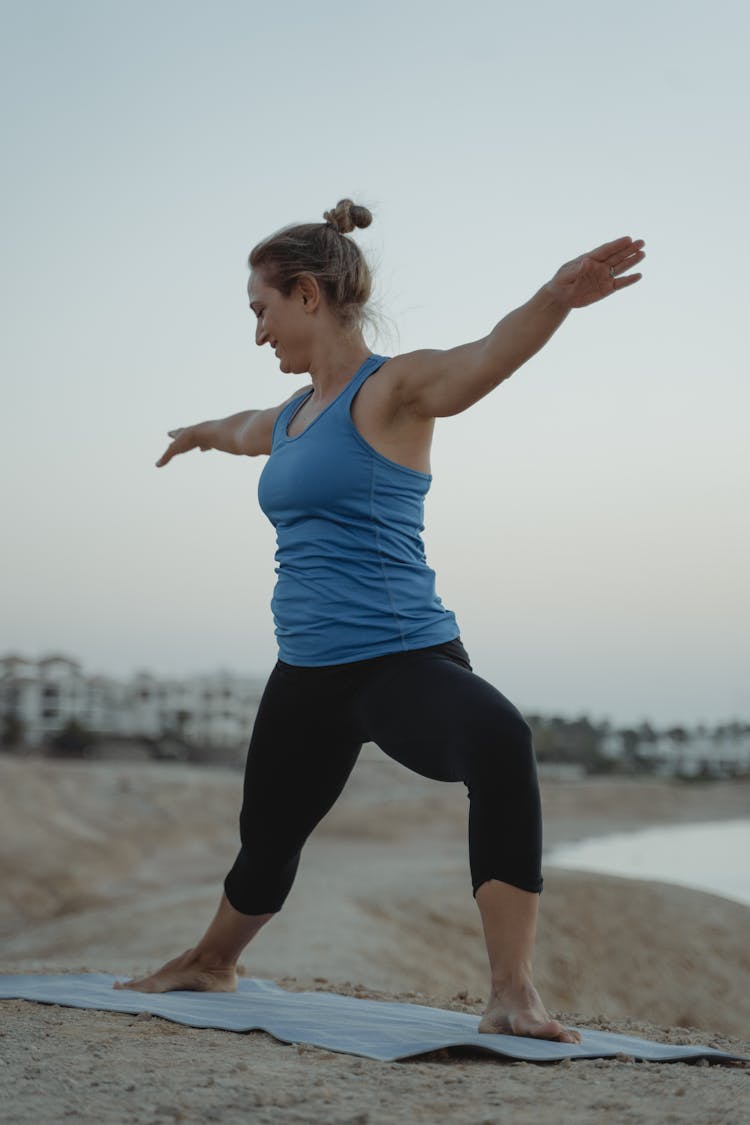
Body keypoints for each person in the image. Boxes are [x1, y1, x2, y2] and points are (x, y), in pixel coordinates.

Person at [115, 199, 644, 1043]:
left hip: (402, 660)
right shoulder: (289, 419)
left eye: (262, 310)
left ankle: (512, 990)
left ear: (308, 297)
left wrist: (555, 296)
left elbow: (485, 359)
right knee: (267, 841)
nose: (259, 333)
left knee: (500, 740)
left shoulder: (393, 391)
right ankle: (210, 961)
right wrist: (196, 433)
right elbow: (241, 430)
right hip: (307, 672)